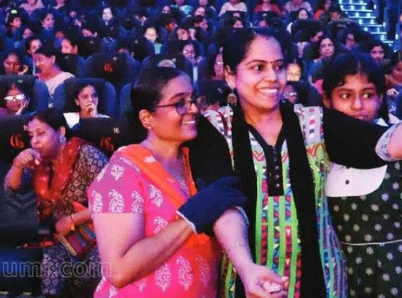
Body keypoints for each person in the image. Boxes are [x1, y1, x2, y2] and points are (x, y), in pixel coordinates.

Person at [186, 28, 402, 298]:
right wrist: (246, 267)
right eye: (257, 67)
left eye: (278, 66)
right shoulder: (214, 129)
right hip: (246, 283)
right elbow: (223, 203)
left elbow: (383, 142)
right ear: (230, 75)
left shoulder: (312, 122)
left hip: (322, 283)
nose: (272, 77)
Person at [88, 67, 277, 297]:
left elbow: (224, 208)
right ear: (147, 118)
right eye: (180, 103)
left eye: (193, 100)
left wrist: (248, 270)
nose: (194, 109)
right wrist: (189, 220)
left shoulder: (198, 161)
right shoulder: (123, 172)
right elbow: (119, 271)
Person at [322, 53, 402, 298]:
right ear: (328, 100)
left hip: (401, 280)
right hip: (341, 282)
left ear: (380, 97)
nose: (357, 106)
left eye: (368, 95)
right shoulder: (318, 150)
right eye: (345, 95)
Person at [4, 109, 108, 296]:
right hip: (64, 237)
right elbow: (11, 188)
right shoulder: (38, 160)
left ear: (60, 131)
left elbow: (114, 200)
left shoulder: (86, 155)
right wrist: (18, 165)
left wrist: (72, 220)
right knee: (52, 263)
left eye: (41, 133)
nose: (34, 141)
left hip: (99, 232)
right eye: (31, 136)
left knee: (97, 267)